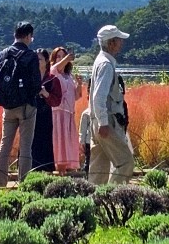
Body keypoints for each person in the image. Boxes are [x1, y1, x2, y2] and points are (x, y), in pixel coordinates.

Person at [0, 22, 44, 185]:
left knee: (4, 145)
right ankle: (24, 184)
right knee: (25, 147)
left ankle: (0, 184)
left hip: (7, 107)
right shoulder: (30, 56)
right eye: (31, 37)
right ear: (28, 36)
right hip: (26, 107)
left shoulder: (2, 55)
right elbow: (36, 84)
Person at [88, 25, 135, 184]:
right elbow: (98, 97)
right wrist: (103, 123)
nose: (122, 43)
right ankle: (112, 196)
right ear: (111, 43)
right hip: (107, 123)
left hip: (97, 122)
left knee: (98, 170)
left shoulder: (100, 61)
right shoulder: (106, 65)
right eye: (119, 40)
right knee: (126, 163)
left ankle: (92, 203)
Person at [48, 47, 83, 173]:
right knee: (59, 142)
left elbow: (77, 96)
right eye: (58, 56)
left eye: (63, 56)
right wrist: (67, 58)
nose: (61, 58)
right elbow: (54, 68)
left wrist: (79, 84)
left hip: (69, 114)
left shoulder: (68, 76)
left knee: (68, 143)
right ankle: (59, 169)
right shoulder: (53, 73)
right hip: (58, 113)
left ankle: (67, 170)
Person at [31, 49, 58, 174]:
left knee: (45, 142)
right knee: (31, 142)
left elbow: (57, 100)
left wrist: (46, 94)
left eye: (40, 59)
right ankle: (30, 170)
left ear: (46, 61)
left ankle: (46, 171)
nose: (37, 62)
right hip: (30, 114)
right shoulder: (30, 77)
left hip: (45, 114)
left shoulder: (52, 79)